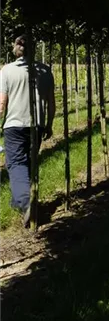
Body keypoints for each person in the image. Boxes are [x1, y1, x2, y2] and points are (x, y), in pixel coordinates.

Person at [0, 35, 55, 227]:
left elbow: (1, 103)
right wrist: (49, 124)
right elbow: (51, 102)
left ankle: (25, 202)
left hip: (14, 125)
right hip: (37, 124)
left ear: (17, 48)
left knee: (16, 164)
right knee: (30, 163)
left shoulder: (6, 70)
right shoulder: (45, 70)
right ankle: (22, 201)